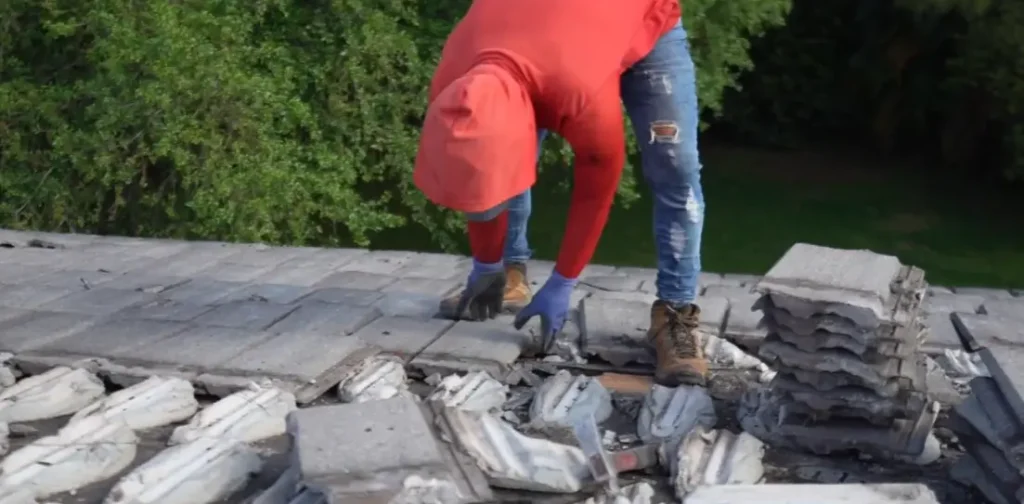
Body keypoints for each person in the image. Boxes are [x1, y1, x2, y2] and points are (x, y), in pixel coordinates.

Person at [414, 0, 708, 387]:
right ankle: (506, 276)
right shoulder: (452, 81)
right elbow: (479, 172)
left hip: (645, 21)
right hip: (541, 33)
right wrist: (486, 266)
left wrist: (563, 283)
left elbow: (596, 186)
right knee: (499, 149)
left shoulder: (578, 94)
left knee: (675, 167)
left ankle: (675, 312)